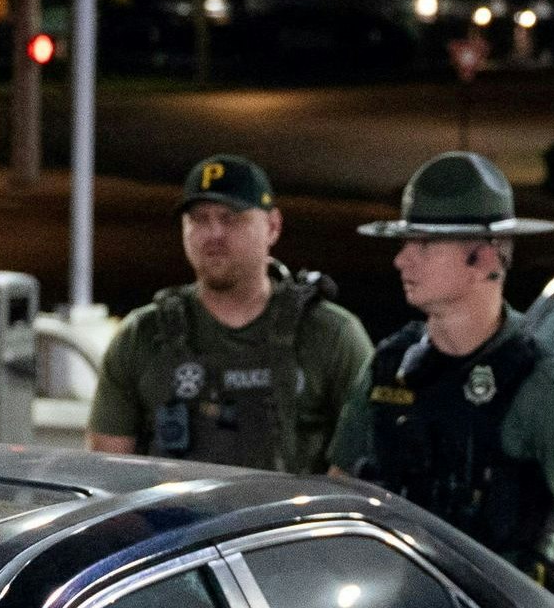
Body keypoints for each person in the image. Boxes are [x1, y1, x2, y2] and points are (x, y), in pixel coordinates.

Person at [337, 150, 554, 608]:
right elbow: (335, 506)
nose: (401, 259)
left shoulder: (546, 394)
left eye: (423, 244)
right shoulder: (387, 369)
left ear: (483, 256)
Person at [86, 154, 373, 472]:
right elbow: (108, 471)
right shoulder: (141, 337)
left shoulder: (331, 335)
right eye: (199, 219)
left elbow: (362, 469)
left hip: (292, 507)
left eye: (230, 218)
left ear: (273, 226)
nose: (214, 234)